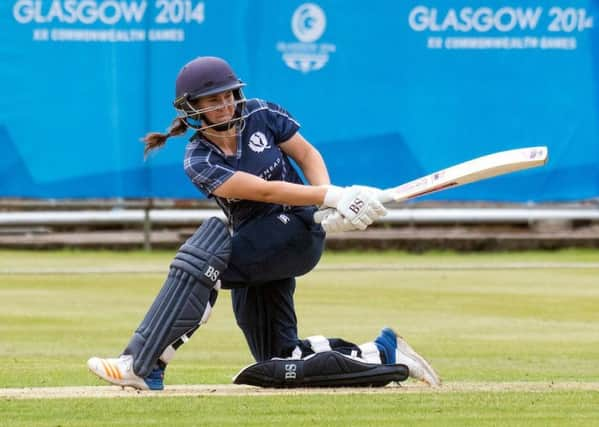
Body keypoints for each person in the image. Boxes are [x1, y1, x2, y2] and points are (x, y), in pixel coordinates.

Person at [87, 56, 440, 390]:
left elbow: (306, 154)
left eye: (229, 96)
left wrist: (330, 199)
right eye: (213, 101)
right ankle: (385, 353)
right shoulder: (199, 159)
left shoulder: (262, 112)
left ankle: (142, 363)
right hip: (257, 247)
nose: (225, 106)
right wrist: (331, 197)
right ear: (193, 108)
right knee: (282, 360)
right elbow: (264, 191)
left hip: (294, 232)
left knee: (201, 258)